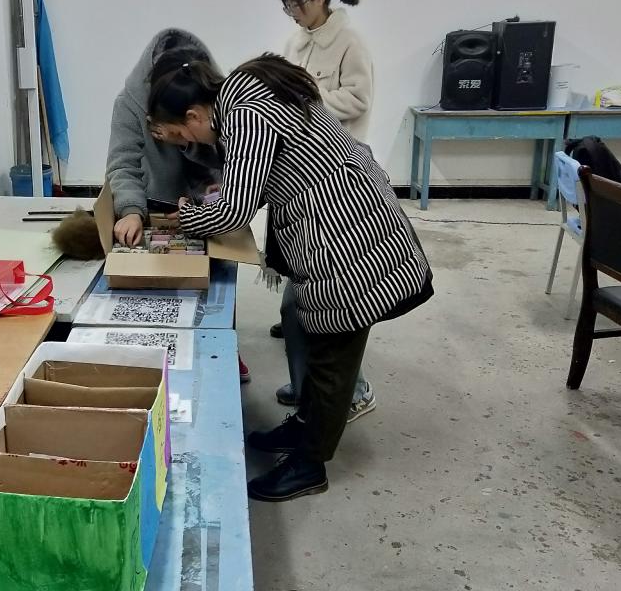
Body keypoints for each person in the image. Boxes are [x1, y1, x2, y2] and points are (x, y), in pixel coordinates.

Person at [148, 53, 432, 501]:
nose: (190, 142)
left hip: (348, 235)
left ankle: (310, 465)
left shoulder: (244, 113)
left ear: (195, 115)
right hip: (344, 217)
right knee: (313, 337)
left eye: (184, 133)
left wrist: (185, 219)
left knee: (332, 357)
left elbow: (235, 211)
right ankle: (303, 427)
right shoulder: (248, 93)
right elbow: (271, 172)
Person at [105, 28, 251, 383]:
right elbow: (123, 164)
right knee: (159, 293)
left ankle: (221, 348)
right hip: (154, 207)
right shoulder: (130, 104)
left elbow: (230, 157)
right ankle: (157, 356)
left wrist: (189, 148)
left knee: (215, 291)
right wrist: (131, 211)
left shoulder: (216, 100)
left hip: (209, 208)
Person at [271, 0, 376, 421]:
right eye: (286, 8)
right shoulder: (296, 41)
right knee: (302, 299)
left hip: (338, 176)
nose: (293, 14)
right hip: (302, 173)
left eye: (297, 5)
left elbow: (359, 99)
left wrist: (307, 101)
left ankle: (354, 391)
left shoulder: (350, 41)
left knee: (331, 299)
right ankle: (308, 387)